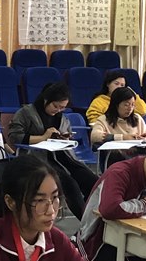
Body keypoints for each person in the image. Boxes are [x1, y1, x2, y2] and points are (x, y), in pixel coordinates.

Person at [8, 82, 97, 219]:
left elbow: (66, 132)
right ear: (46, 100)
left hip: (64, 157)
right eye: (56, 106)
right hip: (39, 159)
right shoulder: (26, 113)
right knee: (70, 185)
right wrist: (43, 137)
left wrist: (64, 137)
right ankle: (86, 224)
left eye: (62, 107)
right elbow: (15, 137)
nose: (58, 110)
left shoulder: (61, 117)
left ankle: (95, 218)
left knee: (93, 181)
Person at [90, 86, 146, 170]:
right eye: (126, 105)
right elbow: (94, 136)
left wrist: (145, 141)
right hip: (115, 161)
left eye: (133, 105)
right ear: (116, 105)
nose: (130, 108)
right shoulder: (104, 120)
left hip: (138, 157)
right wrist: (123, 137)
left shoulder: (137, 118)